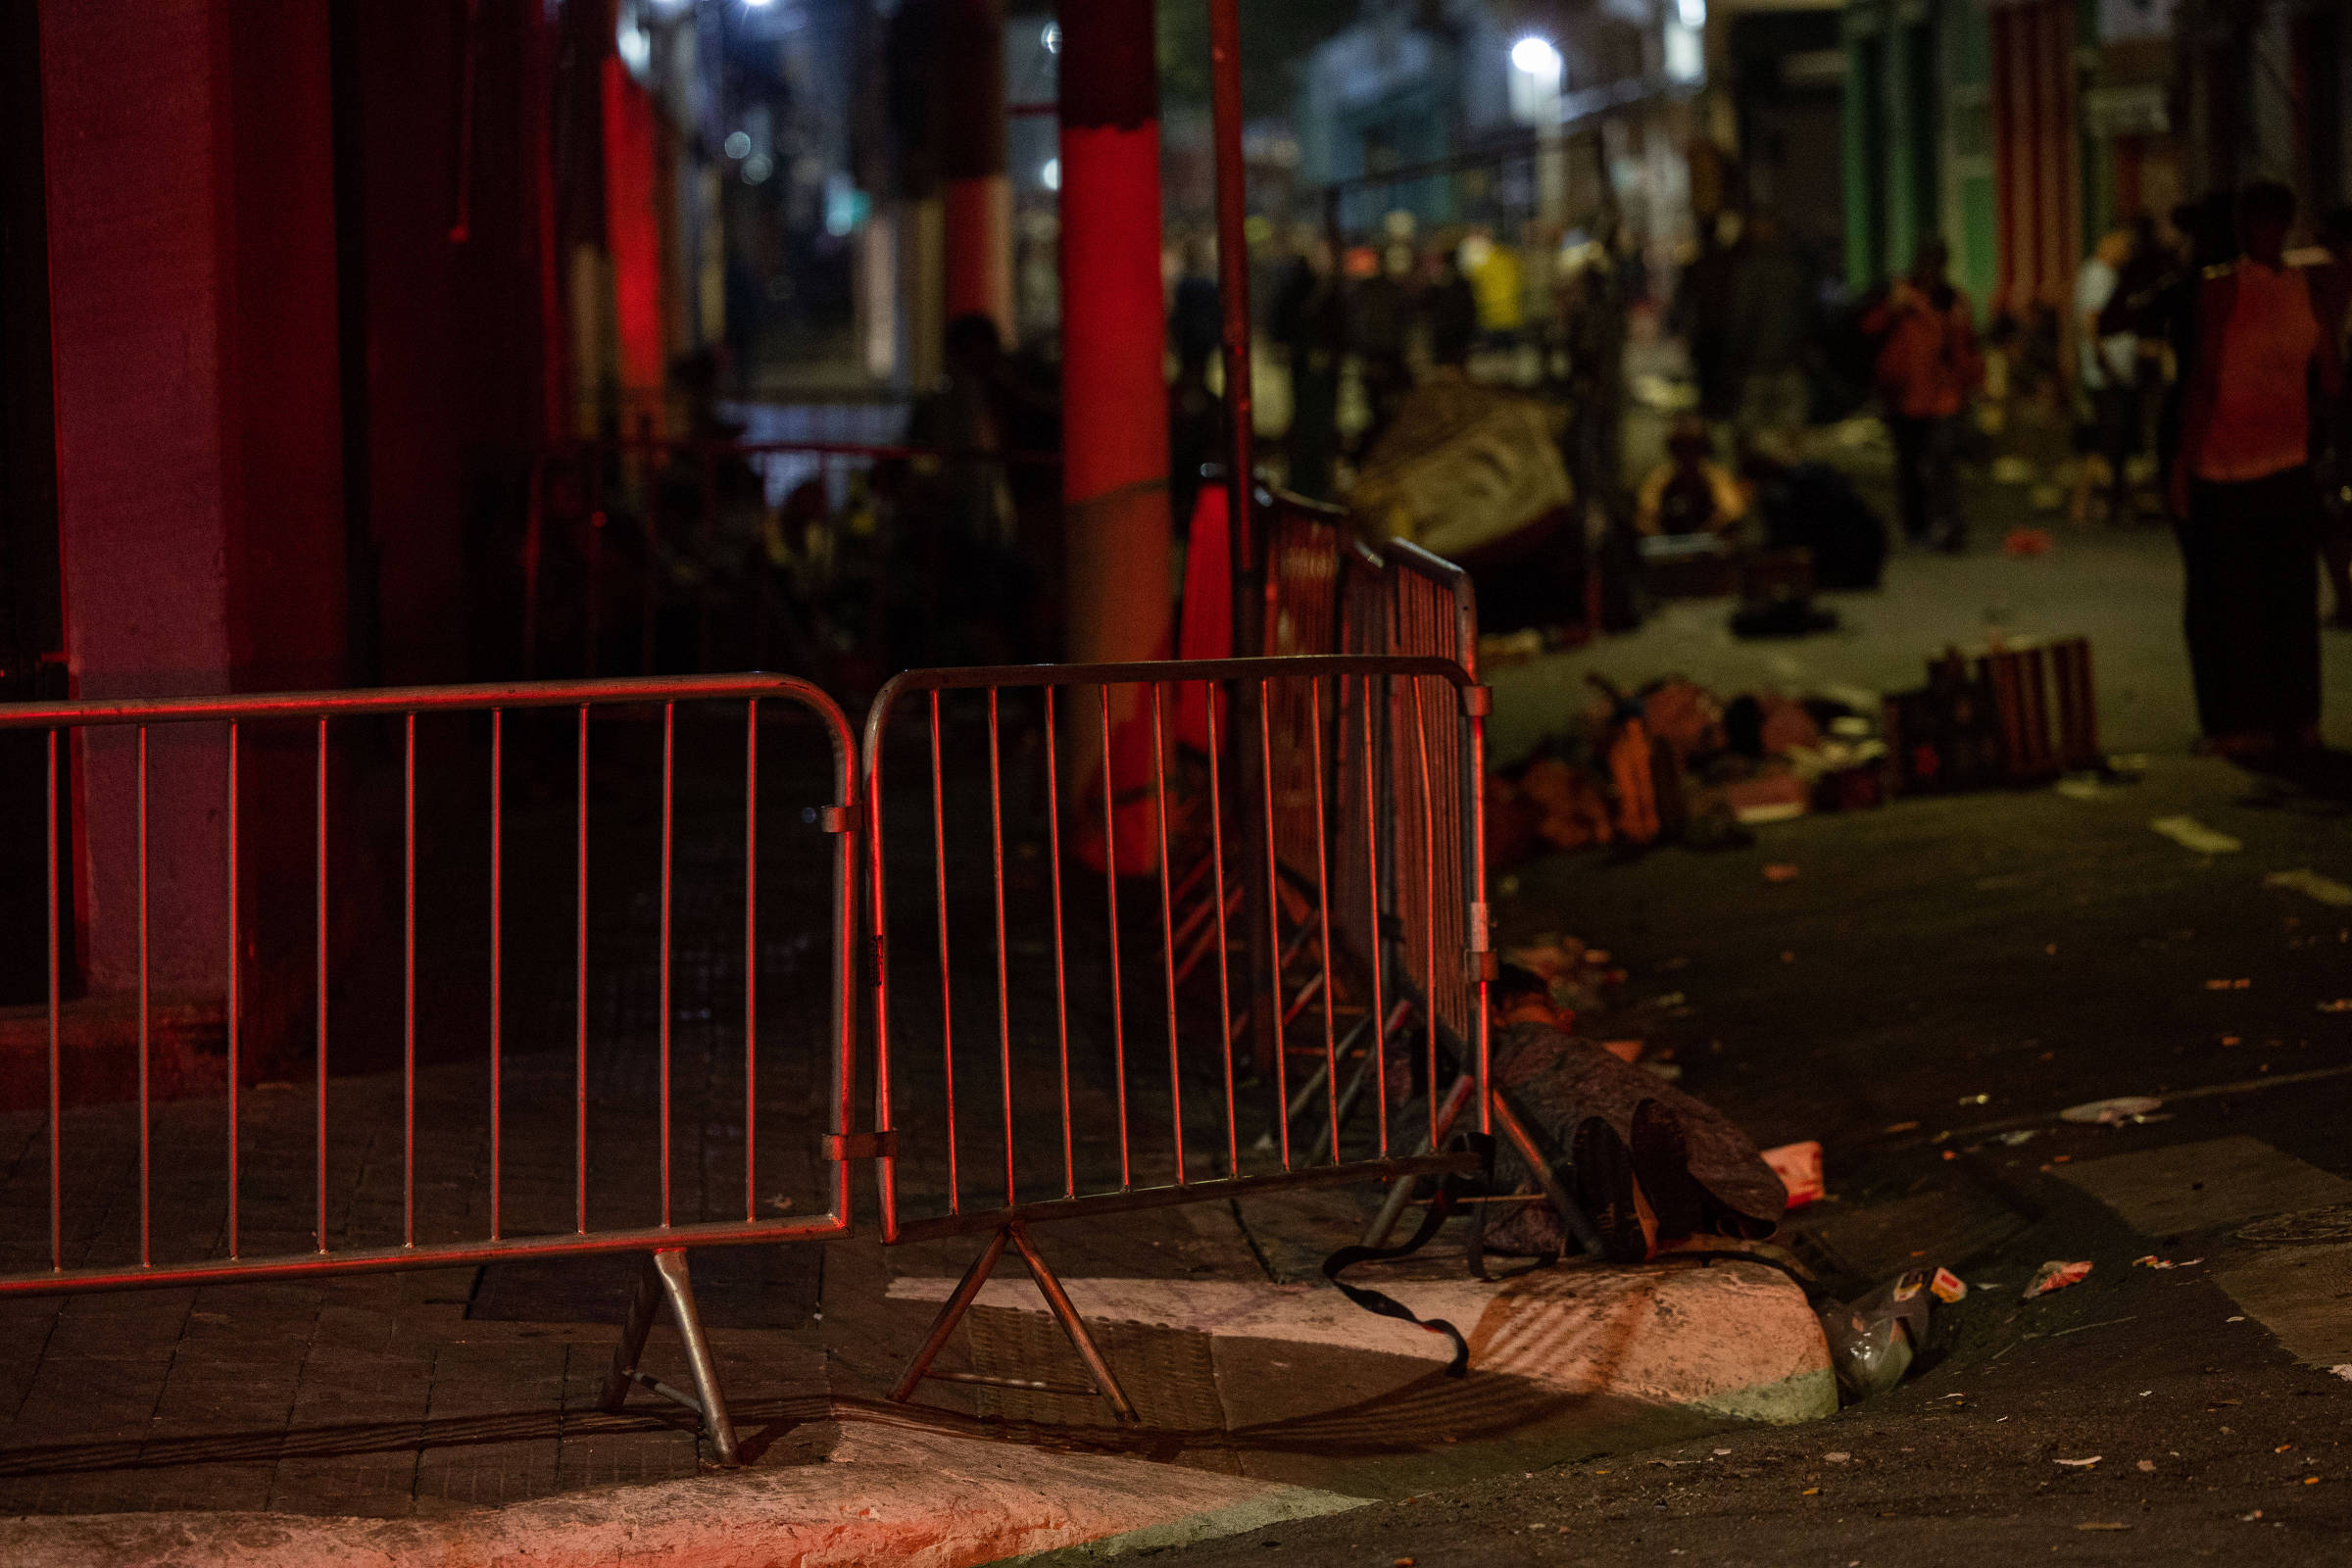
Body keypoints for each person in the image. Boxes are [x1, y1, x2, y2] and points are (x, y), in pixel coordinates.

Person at [2174, 180, 2344, 757]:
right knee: (2287, 601)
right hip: (2283, 460)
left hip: (2230, 466)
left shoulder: (2222, 290)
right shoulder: (2311, 288)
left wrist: (2179, 469)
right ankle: (2298, 720)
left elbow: (2204, 382)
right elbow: (2330, 379)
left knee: (2236, 604)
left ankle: (2245, 726)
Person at [1481, 966, 1787, 1264]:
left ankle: (1654, 1203)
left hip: (1579, 1177)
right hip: (1575, 1143)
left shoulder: (1502, 1064)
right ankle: (1668, 1203)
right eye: (1543, 1003)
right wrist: (1534, 1022)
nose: (1563, 1013)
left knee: (1619, 1127)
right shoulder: (1524, 1044)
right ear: (1497, 1012)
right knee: (1608, 1122)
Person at [1864, 238, 1983, 551]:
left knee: (1944, 459)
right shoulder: (1900, 295)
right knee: (1910, 464)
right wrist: (1891, 307)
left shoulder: (1952, 300)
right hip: (1904, 394)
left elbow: (1965, 345)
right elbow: (1870, 329)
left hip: (1943, 394)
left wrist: (1971, 381)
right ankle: (1916, 525)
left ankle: (1947, 523)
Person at [2072, 224, 2145, 525]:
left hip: (2113, 372)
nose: (2127, 254)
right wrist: (2107, 363)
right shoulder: (2099, 276)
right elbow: (2091, 320)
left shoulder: (2103, 274)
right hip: (2107, 375)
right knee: (2107, 441)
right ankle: (2083, 503)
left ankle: (2118, 502)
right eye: (2123, 246)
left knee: (2117, 442)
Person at [1726, 212, 1814, 453]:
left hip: (1764, 360)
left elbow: (1741, 316)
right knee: (1788, 422)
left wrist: (1736, 353)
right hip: (1782, 358)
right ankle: (1787, 475)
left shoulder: (1753, 268)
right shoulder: (1792, 266)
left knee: (1750, 422)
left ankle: (1755, 477)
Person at [1270, 234, 1347, 499]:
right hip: (1310, 370)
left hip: (1314, 370)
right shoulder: (1314, 290)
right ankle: (1309, 478)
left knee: (1315, 426)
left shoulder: (1325, 290)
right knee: (1310, 426)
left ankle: (1313, 478)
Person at [1636, 416, 1748, 540]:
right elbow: (1644, 517)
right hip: (1669, 548)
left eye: (1693, 447)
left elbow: (1731, 512)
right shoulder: (1661, 478)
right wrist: (1663, 539)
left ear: (1703, 448)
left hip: (1709, 548)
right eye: (1681, 447)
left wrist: (1704, 534)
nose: (1687, 454)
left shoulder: (1715, 477)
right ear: (1673, 449)